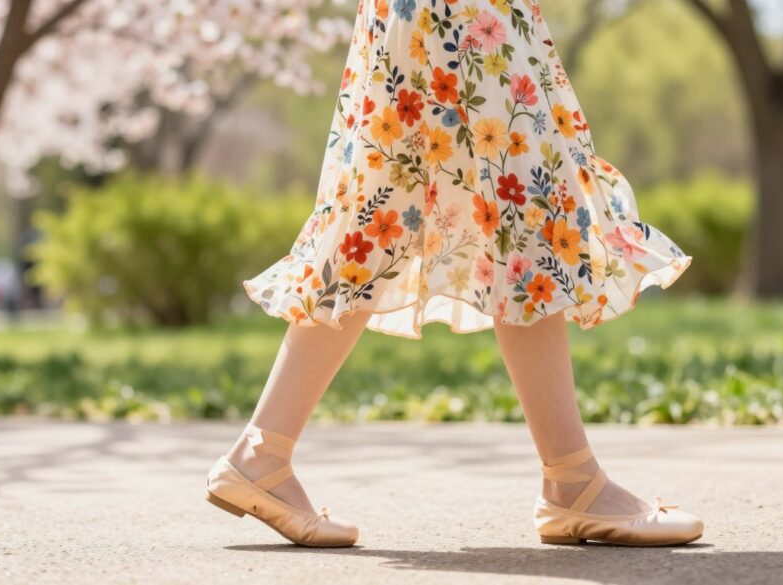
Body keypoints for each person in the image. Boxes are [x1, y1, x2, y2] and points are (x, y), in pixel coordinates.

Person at [206, 0, 701, 548]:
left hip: (431, 17)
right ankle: (571, 479)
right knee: (519, 218)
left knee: (388, 222)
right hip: (465, 18)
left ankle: (263, 450)